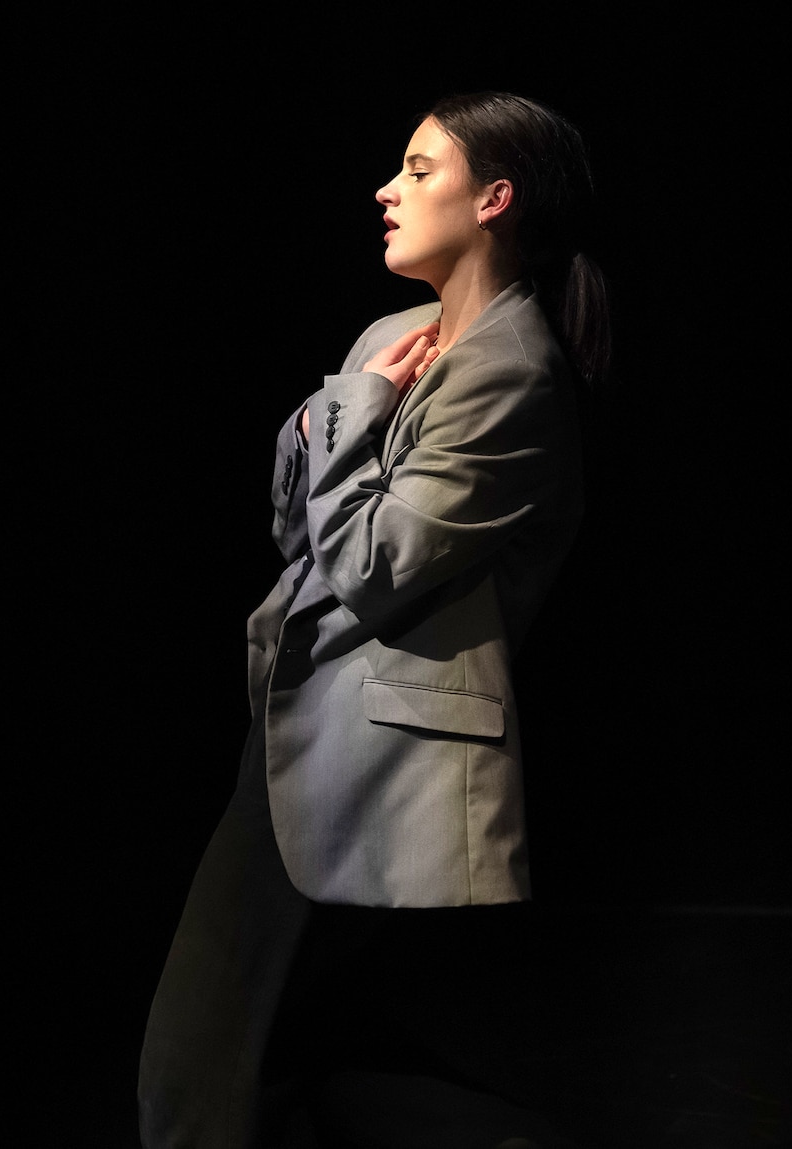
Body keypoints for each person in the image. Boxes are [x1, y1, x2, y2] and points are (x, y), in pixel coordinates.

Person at [138, 90, 611, 1148]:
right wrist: (325, 420)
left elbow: (367, 567)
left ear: (494, 200)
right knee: (288, 1048)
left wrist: (342, 418)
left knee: (194, 1060)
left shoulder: (513, 372)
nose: (385, 190)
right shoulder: (394, 333)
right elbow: (293, 530)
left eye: (416, 169)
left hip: (370, 749)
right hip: (302, 720)